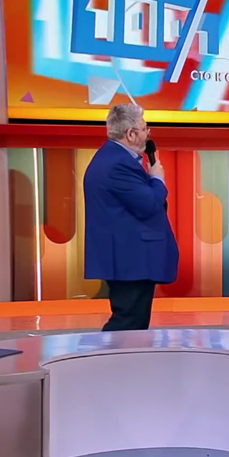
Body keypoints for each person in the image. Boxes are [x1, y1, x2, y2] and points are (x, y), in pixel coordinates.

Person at [83, 104, 179, 331]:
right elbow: (148, 204)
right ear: (131, 134)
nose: (148, 134)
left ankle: (120, 354)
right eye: (145, 129)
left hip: (129, 258)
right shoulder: (118, 164)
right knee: (128, 321)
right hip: (130, 258)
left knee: (134, 322)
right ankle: (107, 355)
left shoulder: (112, 158)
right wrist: (157, 179)